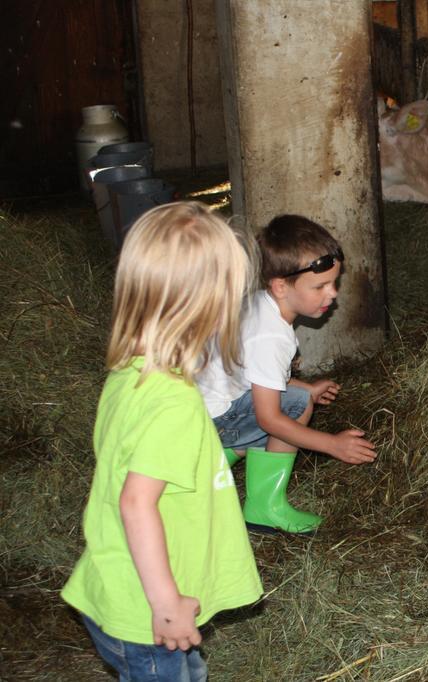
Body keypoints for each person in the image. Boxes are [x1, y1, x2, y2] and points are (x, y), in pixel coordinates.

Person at [62, 202, 263, 681]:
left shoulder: (132, 372)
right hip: (144, 608)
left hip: (118, 583)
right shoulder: (172, 400)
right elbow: (136, 503)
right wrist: (166, 604)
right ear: (208, 305)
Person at [197, 214, 376, 535]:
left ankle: (208, 469)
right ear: (281, 286)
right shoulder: (271, 336)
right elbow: (270, 420)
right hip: (211, 424)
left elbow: (254, 377)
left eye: (334, 283)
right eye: (320, 286)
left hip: (199, 411)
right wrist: (332, 445)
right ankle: (261, 504)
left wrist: (304, 385)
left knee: (297, 394)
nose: (332, 293)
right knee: (294, 406)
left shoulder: (258, 304)